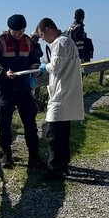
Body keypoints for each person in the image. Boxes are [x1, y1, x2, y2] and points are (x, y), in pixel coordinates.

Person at [0, 14, 46, 168]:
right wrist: (4, 72)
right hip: (5, 88)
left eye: (22, 30)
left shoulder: (28, 41)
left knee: (30, 123)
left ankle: (34, 156)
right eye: (17, 31)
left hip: (24, 88)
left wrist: (35, 70)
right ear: (10, 29)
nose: (20, 33)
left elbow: (34, 61)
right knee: (4, 123)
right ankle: (7, 157)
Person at [35, 17, 85, 179]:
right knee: (63, 132)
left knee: (53, 133)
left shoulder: (59, 43)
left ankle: (54, 168)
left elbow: (55, 66)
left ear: (48, 29)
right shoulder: (68, 41)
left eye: (42, 35)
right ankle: (63, 164)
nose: (43, 39)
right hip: (67, 91)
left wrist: (44, 66)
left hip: (61, 93)